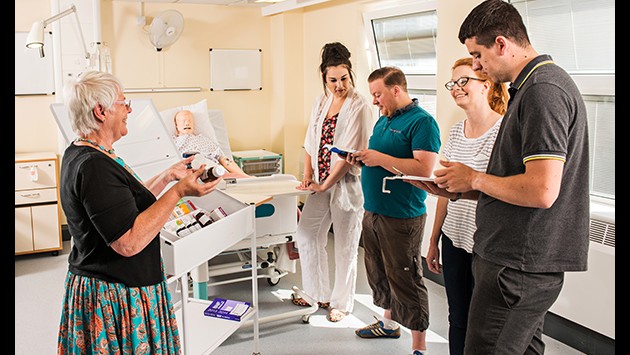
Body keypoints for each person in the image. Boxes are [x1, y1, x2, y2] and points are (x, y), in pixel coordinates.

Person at [416, 1, 589, 353]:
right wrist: (463, 187)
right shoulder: (530, 88)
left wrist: (476, 179)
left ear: (501, 44)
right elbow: (519, 182)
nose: (476, 66)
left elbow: (542, 190)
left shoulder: (543, 91)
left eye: (477, 55)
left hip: (516, 265)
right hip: (516, 260)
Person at [57, 71, 223, 354]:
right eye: (124, 103)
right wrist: (178, 192)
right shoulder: (94, 166)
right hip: (113, 296)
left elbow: (121, 204)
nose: (130, 109)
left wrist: (167, 176)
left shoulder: (89, 152)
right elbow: (128, 241)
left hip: (113, 285)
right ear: (101, 111)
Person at [406, 57, 508, 355]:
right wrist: (434, 239)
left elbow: (501, 191)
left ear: (486, 84)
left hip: (486, 244)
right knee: (458, 317)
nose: (456, 88)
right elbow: (445, 192)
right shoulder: (454, 132)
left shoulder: (503, 132)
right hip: (454, 239)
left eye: (464, 81)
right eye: (453, 83)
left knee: (485, 323)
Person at [350, 66, 441, 355]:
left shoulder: (422, 123)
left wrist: (379, 158)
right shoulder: (383, 120)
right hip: (374, 211)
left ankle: (419, 346)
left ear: (396, 90)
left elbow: (425, 168)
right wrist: (365, 160)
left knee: (406, 278)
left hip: (402, 216)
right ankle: (388, 325)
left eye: (378, 95)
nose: (375, 101)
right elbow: (382, 160)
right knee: (379, 273)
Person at [291, 42, 373, 323]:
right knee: (307, 234)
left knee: (346, 244)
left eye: (344, 79)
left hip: (345, 184)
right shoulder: (320, 102)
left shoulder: (359, 106)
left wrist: (325, 184)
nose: (339, 86)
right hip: (319, 183)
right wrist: (308, 175)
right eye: (333, 80)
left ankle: (341, 303)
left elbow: (348, 155)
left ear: (352, 75)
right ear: (324, 79)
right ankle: (317, 293)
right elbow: (309, 142)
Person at [172, 109, 250, 179]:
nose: (187, 123)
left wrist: (244, 175)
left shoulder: (203, 139)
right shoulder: (173, 142)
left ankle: (245, 178)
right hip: (189, 169)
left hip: (210, 167)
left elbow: (222, 158)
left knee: (223, 174)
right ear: (176, 125)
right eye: (183, 121)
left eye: (190, 121)